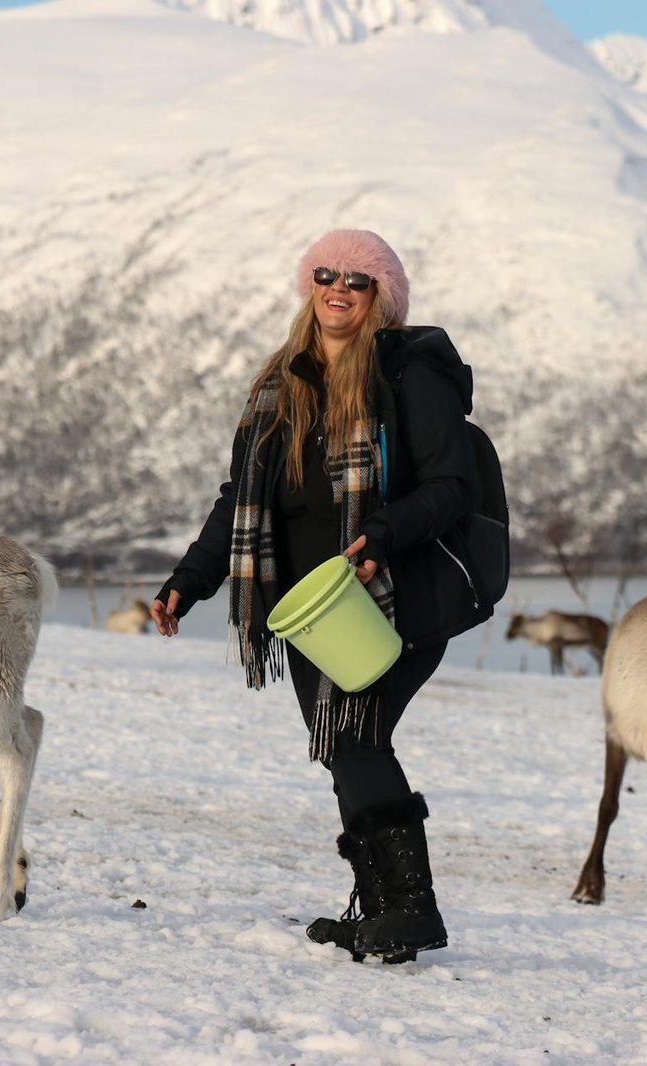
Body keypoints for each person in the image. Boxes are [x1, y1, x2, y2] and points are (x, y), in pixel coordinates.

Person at [152, 229, 490, 963]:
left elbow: (451, 487)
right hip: (311, 610)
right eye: (326, 274)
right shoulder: (282, 382)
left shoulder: (409, 372)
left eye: (359, 280)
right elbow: (238, 498)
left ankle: (411, 909)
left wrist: (382, 533)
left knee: (356, 740)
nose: (339, 288)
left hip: (392, 592)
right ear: (310, 287)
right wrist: (189, 581)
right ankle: (379, 911)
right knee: (344, 748)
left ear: (381, 299)